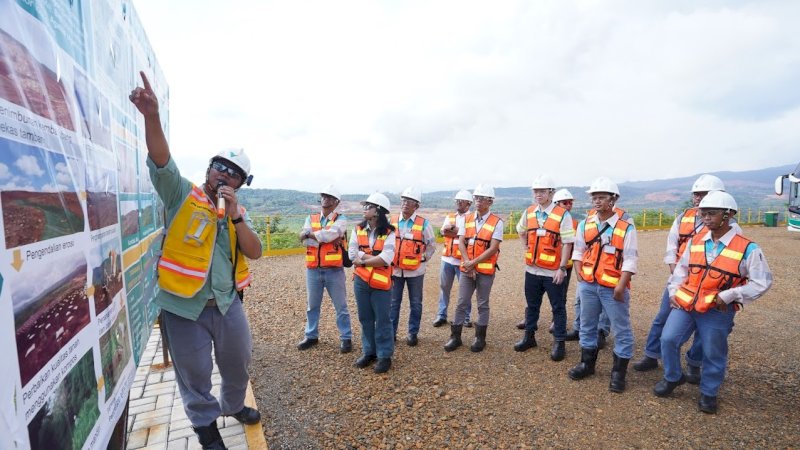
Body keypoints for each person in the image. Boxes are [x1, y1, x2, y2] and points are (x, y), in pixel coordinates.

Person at [130, 71, 262, 450]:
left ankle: (234, 406)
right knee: (195, 374)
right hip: (182, 307)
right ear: (208, 169)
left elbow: (253, 251)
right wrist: (151, 116)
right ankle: (205, 427)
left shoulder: (237, 210)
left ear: (239, 183)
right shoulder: (180, 194)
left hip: (226, 303)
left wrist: (236, 216)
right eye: (220, 167)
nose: (225, 174)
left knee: (238, 363)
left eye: (234, 173)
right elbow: (161, 160)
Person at [653, 191, 772, 414]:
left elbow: (762, 282)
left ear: (728, 215)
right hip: (686, 305)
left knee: (713, 352)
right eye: (703, 213)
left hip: (717, 310)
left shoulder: (748, 248)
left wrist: (729, 296)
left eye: (711, 213)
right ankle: (673, 377)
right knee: (668, 339)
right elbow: (680, 271)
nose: (705, 218)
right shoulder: (696, 242)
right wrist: (673, 292)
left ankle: (709, 393)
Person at [633, 175, 742, 381]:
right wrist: (676, 273)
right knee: (663, 317)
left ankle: (694, 363)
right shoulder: (683, 218)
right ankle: (652, 354)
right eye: (696, 194)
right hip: (682, 280)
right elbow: (672, 246)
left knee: (704, 327)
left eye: (703, 194)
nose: (698, 198)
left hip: (711, 287)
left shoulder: (732, 228)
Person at [568, 177, 637, 394]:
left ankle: (618, 374)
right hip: (588, 284)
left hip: (613, 287)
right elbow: (578, 250)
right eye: (594, 197)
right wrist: (579, 272)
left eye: (601, 197)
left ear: (613, 199)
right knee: (587, 325)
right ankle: (587, 364)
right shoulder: (586, 223)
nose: (597, 201)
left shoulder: (626, 227)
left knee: (622, 329)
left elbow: (631, 259)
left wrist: (621, 286)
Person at [513, 176, 575, 361]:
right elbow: (520, 229)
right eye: (535, 191)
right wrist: (526, 246)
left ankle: (559, 342)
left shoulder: (562, 214)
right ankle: (529, 337)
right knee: (532, 306)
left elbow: (567, 243)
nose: (538, 194)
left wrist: (562, 268)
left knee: (558, 307)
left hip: (552, 271)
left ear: (551, 193)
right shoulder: (530, 212)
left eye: (542, 191)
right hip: (532, 270)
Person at [444, 184, 503, 353]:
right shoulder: (467, 219)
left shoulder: (497, 222)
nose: (478, 201)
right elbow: (461, 241)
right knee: (462, 302)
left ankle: (480, 338)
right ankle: (455, 337)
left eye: (482, 198)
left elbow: (493, 248)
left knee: (482, 304)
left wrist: (473, 262)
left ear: (490, 201)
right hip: (467, 268)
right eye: (476, 198)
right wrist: (468, 262)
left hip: (485, 270)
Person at [296, 185, 353, 353]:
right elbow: (305, 240)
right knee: (312, 306)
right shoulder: (310, 218)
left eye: (329, 197)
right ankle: (311, 336)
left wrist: (312, 234)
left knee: (341, 306)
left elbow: (330, 234)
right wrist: (323, 236)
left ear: (336, 202)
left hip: (334, 270)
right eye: (323, 196)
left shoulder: (341, 219)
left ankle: (346, 338)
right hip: (313, 270)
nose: (325, 199)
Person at [350, 193, 397, 373]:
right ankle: (369, 352)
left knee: (383, 320)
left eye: (368, 206)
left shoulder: (389, 232)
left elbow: (386, 259)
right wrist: (370, 259)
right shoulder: (357, 229)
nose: (364, 209)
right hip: (361, 282)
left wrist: (362, 259)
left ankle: (384, 356)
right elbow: (351, 255)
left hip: (381, 284)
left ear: (378, 211)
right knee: (365, 318)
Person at [390, 187, 436, 346]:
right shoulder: (392, 221)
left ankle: (412, 333)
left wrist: (422, 259)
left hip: (416, 272)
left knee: (415, 303)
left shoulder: (424, 224)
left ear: (416, 206)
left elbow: (431, 245)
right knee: (393, 303)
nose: (405, 204)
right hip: (395, 270)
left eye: (409, 202)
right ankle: (391, 333)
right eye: (403, 200)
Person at [433, 190, 474, 328]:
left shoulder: (473, 218)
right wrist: (457, 230)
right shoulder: (450, 216)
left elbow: (469, 235)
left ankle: (466, 317)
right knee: (444, 288)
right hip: (447, 259)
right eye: (457, 201)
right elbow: (443, 231)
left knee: (465, 291)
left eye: (461, 201)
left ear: (468, 203)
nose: (458, 203)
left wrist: (454, 230)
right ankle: (441, 315)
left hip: (463, 260)